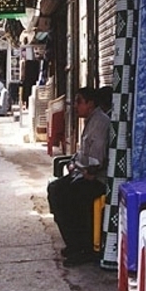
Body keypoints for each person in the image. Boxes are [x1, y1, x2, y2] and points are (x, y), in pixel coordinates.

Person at [47, 86, 111, 267]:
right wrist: (74, 162)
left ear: (90, 104)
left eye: (79, 102)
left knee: (70, 197)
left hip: (96, 179)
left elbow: (95, 162)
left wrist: (80, 168)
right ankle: (74, 243)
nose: (76, 106)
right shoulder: (90, 121)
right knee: (55, 189)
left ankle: (84, 248)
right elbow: (83, 153)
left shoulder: (100, 122)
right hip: (82, 173)